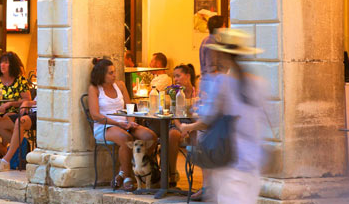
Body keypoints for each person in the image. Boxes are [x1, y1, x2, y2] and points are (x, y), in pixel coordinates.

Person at [177, 29, 266, 204]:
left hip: (229, 159)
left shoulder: (222, 82)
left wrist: (188, 127)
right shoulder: (258, 83)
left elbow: (209, 119)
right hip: (252, 160)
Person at [88, 58, 157, 191]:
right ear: (101, 75)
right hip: (104, 126)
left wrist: (131, 122)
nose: (115, 75)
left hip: (124, 124)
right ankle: (128, 177)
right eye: (111, 73)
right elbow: (95, 115)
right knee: (126, 139)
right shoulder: (95, 88)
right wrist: (118, 123)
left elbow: (129, 107)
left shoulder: (120, 85)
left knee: (150, 137)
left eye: (114, 72)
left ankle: (122, 172)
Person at [0, 52, 31, 159]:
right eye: (1, 62)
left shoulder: (20, 80)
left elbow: (27, 99)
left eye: (6, 63)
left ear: (12, 65)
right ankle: (3, 151)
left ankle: (6, 154)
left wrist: (10, 103)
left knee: (5, 120)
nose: (2, 65)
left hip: (14, 112)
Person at [167, 63, 198, 185]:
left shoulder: (198, 92)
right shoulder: (174, 93)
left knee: (200, 136)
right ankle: (172, 173)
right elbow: (174, 116)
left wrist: (190, 128)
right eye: (174, 77)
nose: (176, 79)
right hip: (179, 124)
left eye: (178, 76)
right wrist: (181, 127)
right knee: (172, 135)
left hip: (195, 125)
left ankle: (207, 178)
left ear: (188, 76)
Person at [0, 100, 36, 172]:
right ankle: (21, 143)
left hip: (40, 114)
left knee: (20, 122)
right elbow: (36, 101)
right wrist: (27, 103)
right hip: (30, 112)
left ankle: (5, 161)